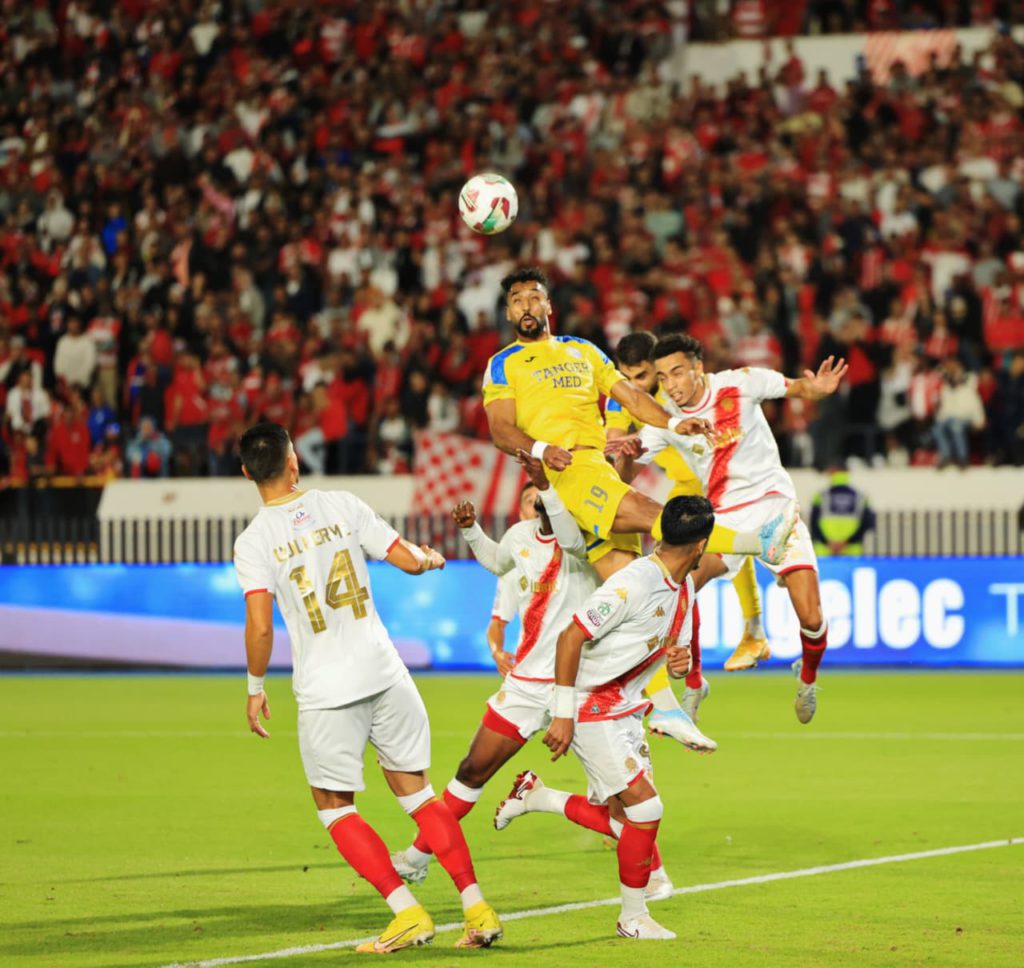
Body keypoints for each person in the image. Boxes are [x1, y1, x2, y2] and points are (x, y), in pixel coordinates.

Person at [233, 421, 501, 954]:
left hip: (327, 688)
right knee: (420, 795)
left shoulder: (253, 541)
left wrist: (254, 685)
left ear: (246, 473)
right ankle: (477, 908)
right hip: (384, 670)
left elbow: (260, 626)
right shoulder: (343, 504)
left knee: (335, 806)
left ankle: (407, 914)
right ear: (294, 462)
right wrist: (430, 557)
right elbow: (406, 558)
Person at [390, 463, 713, 891]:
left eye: (544, 492)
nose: (537, 499)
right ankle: (417, 856)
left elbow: (569, 534)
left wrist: (551, 484)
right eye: (530, 496)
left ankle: (643, 868)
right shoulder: (520, 538)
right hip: (529, 683)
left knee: (628, 808)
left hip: (582, 684)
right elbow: (495, 561)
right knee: (472, 770)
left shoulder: (582, 538)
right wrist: (471, 531)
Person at [492, 495, 715, 941]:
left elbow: (660, 641)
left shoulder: (682, 586)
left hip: (626, 707)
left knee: (623, 818)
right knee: (646, 808)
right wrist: (562, 716)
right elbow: (571, 637)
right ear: (700, 545)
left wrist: (675, 657)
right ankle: (632, 917)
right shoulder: (632, 583)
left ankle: (538, 797)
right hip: (592, 705)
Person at [482, 267, 794, 581]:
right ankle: (757, 542)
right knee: (661, 517)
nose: (526, 306)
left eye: (534, 298)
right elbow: (501, 430)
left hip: (600, 470)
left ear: (548, 305)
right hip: (566, 472)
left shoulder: (582, 350)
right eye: (517, 300)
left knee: (630, 588)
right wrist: (542, 448)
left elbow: (631, 396)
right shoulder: (503, 363)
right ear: (508, 313)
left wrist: (673, 422)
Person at [615, 335, 847, 724]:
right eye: (662, 376)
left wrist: (817, 389)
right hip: (725, 521)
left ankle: (807, 678)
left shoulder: (740, 383)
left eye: (677, 373)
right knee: (682, 585)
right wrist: (623, 458)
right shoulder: (667, 420)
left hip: (776, 511)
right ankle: (694, 683)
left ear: (698, 368)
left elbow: (796, 387)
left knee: (810, 617)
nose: (670, 384)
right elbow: (627, 476)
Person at [607, 331, 770, 681]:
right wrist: (621, 455)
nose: (633, 386)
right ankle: (699, 669)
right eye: (627, 378)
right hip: (685, 488)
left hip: (714, 481)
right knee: (680, 576)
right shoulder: (620, 399)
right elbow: (616, 451)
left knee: (698, 566)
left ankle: (746, 634)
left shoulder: (680, 392)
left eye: (642, 377)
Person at [810, 467, 876, 556]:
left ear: (832, 473)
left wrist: (827, 543)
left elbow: (813, 524)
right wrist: (847, 543)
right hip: (852, 551)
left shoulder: (820, 496)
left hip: (824, 552)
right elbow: (867, 523)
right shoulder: (860, 496)